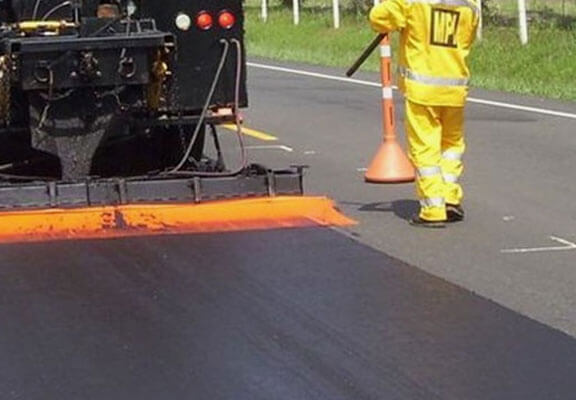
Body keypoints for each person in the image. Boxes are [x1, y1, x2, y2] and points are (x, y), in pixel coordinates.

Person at [369, 0, 480, 228]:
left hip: (423, 90)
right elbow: (466, 40)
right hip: (455, 88)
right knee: (451, 146)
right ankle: (449, 197)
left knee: (425, 150)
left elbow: (378, 18)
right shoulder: (469, 6)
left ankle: (432, 209)